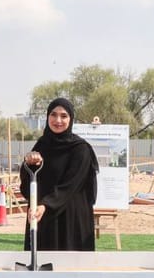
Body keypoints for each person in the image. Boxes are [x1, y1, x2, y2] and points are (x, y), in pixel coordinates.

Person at [19, 98, 99, 251]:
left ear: (71, 119)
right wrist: (28, 164)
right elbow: (29, 182)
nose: (58, 120)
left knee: (69, 263)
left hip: (70, 218)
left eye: (63, 116)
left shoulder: (80, 149)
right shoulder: (42, 145)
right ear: (47, 116)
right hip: (44, 218)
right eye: (53, 115)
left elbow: (70, 185)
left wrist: (46, 205)